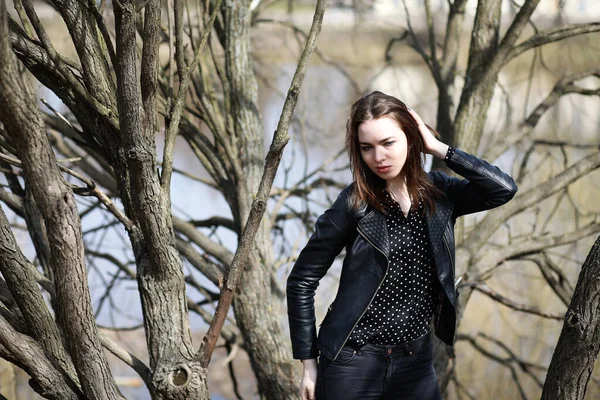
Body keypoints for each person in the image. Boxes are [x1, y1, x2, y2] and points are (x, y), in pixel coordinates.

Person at [286, 91, 518, 400]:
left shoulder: (440, 192)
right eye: (366, 147)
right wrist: (308, 365)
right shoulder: (354, 204)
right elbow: (301, 280)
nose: (378, 157)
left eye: (388, 143)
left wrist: (439, 148)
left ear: (411, 137)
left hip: (415, 361)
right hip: (352, 360)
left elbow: (502, 189)